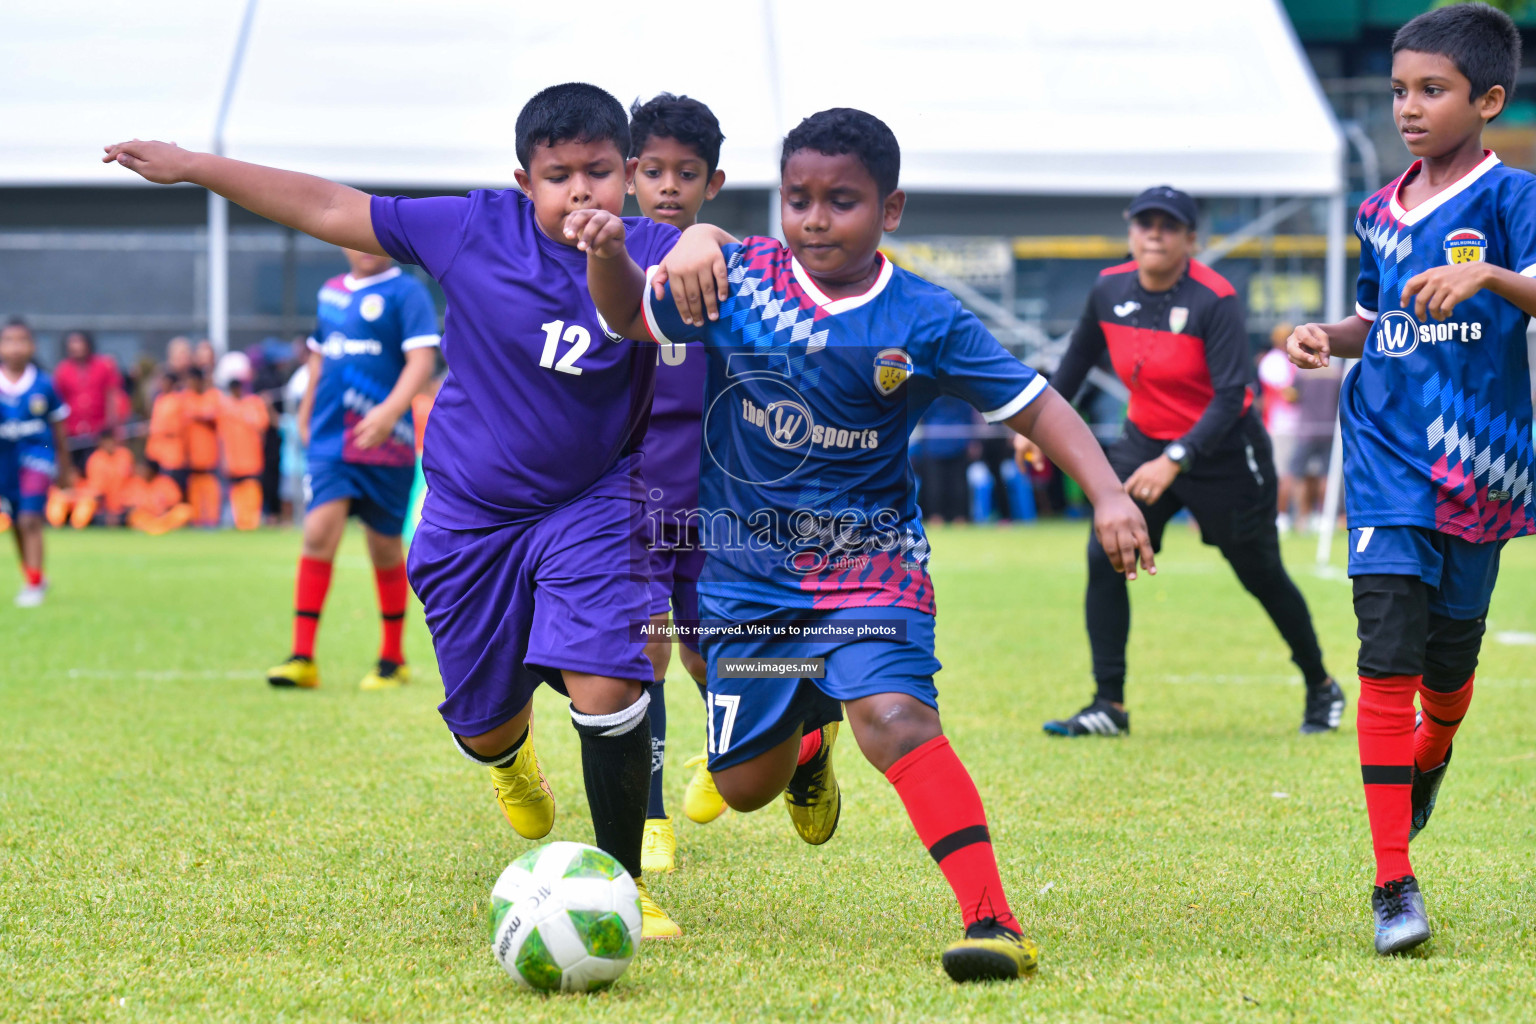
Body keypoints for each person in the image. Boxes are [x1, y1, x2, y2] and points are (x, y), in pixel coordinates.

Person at [575, 106, 1154, 982]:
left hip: (869, 570)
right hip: (746, 586)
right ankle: (810, 734)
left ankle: (994, 921)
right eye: (798, 198)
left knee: (893, 718)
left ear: (890, 209)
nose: (813, 218)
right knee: (742, 787)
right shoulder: (733, 280)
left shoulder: (925, 319)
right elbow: (626, 322)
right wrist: (622, 252)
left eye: (840, 200)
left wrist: (1108, 493)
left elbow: (1036, 404)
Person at [105, 81, 684, 937]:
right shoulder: (467, 229)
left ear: (629, 174)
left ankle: (622, 887)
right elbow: (330, 204)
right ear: (522, 180)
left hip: (592, 499)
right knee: (486, 727)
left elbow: (634, 308)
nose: (580, 193)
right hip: (470, 515)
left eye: (598, 173)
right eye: (557, 176)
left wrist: (677, 238)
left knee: (609, 685)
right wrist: (197, 167)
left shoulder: (653, 248)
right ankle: (510, 760)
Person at [1287, 3, 1536, 956]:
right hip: (1385, 459)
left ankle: (1429, 760)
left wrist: (1493, 281)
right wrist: (1324, 337)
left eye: (1433, 90)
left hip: (1482, 471)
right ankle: (1394, 880)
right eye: (1399, 90)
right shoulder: (1375, 212)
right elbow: (1368, 321)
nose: (1409, 108)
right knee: (1385, 656)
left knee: (1451, 673)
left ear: (1490, 100)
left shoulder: (1512, 199)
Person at [1021, 186, 1343, 738]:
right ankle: (1109, 705)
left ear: (1191, 239)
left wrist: (1176, 459)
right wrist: (1033, 428)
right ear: (1129, 232)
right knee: (1106, 553)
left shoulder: (1213, 298)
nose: (1154, 234)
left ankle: (1320, 685)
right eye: (1144, 223)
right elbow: (1071, 369)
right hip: (1145, 442)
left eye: (1168, 226)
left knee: (1261, 574)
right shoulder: (1107, 290)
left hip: (1223, 453)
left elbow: (1231, 396)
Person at [626, 92, 728, 873]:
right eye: (654, 171)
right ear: (629, 176)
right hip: (628, 493)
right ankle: (649, 813)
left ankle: (740, 751)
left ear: (712, 182)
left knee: (707, 653)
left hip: (710, 497)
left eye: (685, 174)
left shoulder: (725, 266)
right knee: (646, 651)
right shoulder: (606, 256)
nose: (668, 186)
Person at [263, 247, 438, 686]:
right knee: (318, 533)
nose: (362, 247)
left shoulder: (407, 292)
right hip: (330, 441)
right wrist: (303, 415)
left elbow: (422, 361)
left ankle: (392, 659)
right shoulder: (330, 293)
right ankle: (302, 657)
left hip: (386, 442)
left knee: (384, 548)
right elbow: (320, 358)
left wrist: (388, 413)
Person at [0, 318, 75, 606]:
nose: (15, 347)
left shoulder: (44, 384)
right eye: (9, 340)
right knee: (17, 522)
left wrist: (65, 469)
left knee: (30, 518)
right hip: (5, 462)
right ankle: (34, 574)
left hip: (37, 457)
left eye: (22, 340)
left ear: (32, 346)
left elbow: (58, 428)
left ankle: (33, 586)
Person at [52, 329, 124, 475]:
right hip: (72, 433)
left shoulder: (103, 366)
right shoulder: (63, 370)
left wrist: (113, 424)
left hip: (99, 431)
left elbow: (112, 396)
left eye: (80, 342)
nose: (77, 347)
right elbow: (58, 401)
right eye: (73, 342)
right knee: (75, 472)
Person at [1258, 323, 1301, 530]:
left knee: (1297, 473)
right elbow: (1288, 393)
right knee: (1283, 474)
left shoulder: (1287, 360)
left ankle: (1298, 516)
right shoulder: (1273, 362)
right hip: (1280, 424)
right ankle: (1281, 516)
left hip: (1298, 424)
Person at [1290, 362, 1343, 531]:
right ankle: (1324, 516)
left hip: (1307, 429)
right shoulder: (1337, 372)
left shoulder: (1303, 373)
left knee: (1297, 474)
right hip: (1329, 428)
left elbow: (1291, 397)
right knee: (1327, 476)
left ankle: (1301, 517)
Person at [47, 429, 133, 528]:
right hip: (101, 505)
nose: (109, 445)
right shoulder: (95, 460)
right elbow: (97, 491)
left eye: (111, 441)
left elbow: (131, 482)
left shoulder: (125, 455)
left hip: (122, 504)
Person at [219, 371, 271, 531]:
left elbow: (263, 426)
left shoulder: (254, 404)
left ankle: (252, 522)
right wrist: (224, 459)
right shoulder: (225, 407)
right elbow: (221, 436)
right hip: (234, 459)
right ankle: (241, 522)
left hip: (252, 458)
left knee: (252, 490)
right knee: (238, 491)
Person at [181, 368, 222, 527]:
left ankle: (212, 523)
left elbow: (210, 413)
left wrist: (196, 413)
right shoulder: (187, 397)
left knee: (211, 499)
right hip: (191, 458)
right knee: (195, 499)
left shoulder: (211, 396)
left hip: (210, 458)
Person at [122, 458, 193, 535]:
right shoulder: (136, 482)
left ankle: (159, 529)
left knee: (185, 510)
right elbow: (130, 506)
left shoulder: (165, 482)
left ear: (152, 471)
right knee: (134, 516)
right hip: (147, 518)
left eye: (144, 469)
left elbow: (175, 502)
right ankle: (157, 529)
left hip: (165, 518)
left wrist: (164, 514)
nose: (141, 472)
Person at [145, 371, 187, 499]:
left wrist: (160, 430)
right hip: (157, 453)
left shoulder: (178, 400)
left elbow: (176, 427)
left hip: (171, 453)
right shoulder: (159, 399)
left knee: (172, 488)